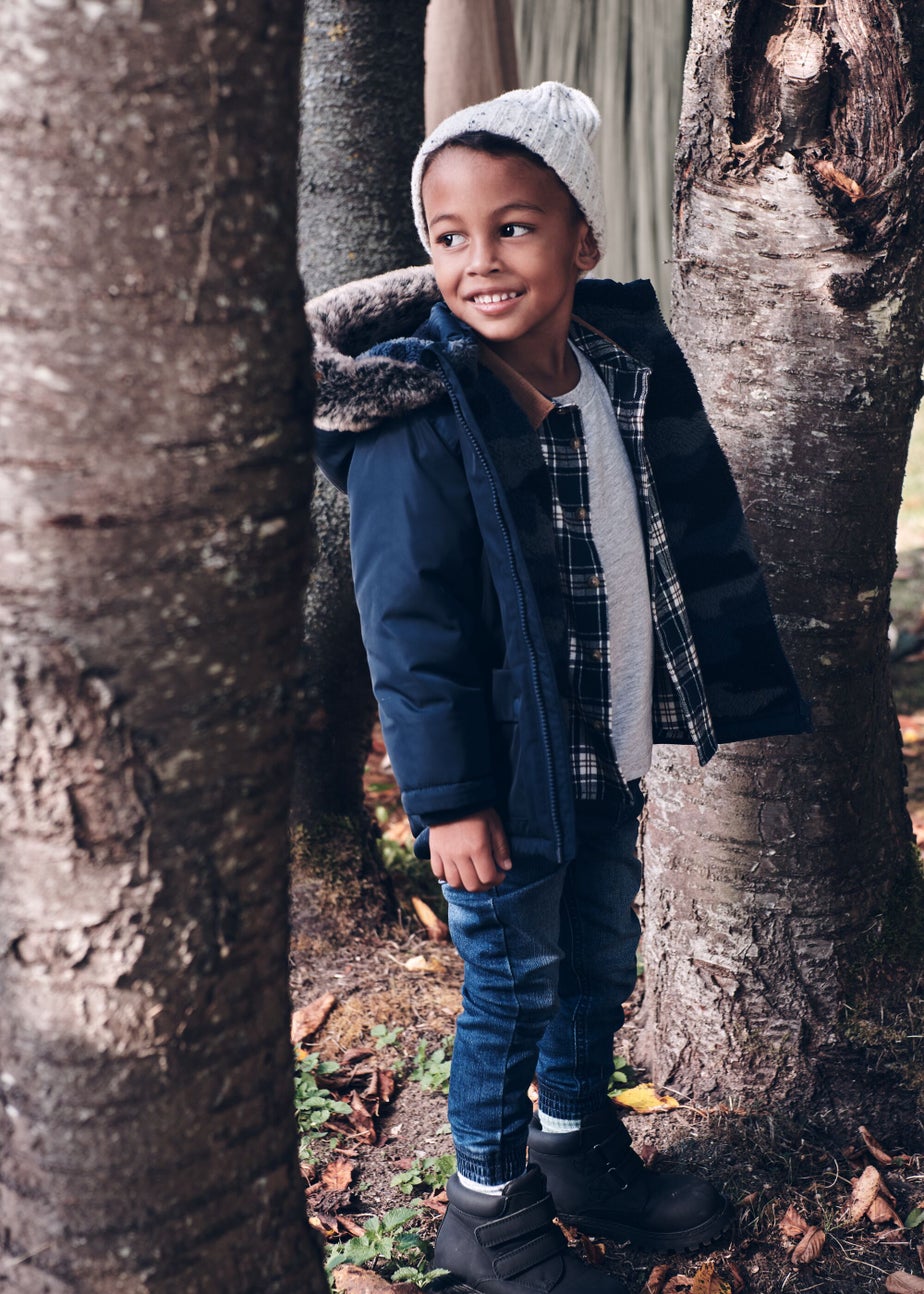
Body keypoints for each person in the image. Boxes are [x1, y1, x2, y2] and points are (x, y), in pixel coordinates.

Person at [310, 82, 810, 1294]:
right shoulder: (420, 414)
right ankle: (487, 1213)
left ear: (582, 240)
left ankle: (577, 1143)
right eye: (450, 236)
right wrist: (449, 802)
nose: (480, 261)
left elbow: (678, 537)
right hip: (502, 780)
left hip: (605, 749)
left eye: (514, 227)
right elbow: (412, 631)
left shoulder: (618, 370)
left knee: (597, 960)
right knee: (512, 982)